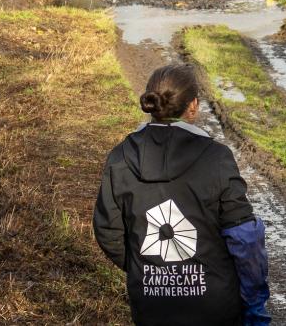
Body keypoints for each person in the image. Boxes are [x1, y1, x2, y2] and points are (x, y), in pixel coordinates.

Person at [93, 64, 271, 326]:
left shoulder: (121, 156)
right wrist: (254, 299)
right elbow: (245, 238)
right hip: (215, 305)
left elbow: (108, 231)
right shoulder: (217, 157)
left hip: (150, 304)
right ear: (193, 105)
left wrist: (144, 269)